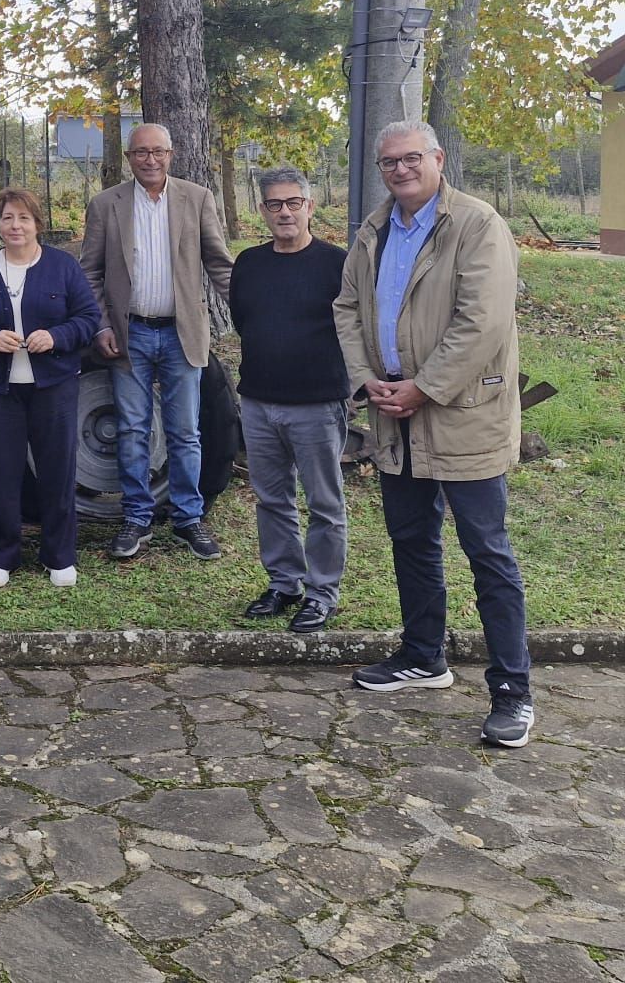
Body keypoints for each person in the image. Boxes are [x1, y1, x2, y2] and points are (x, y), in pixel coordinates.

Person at [334, 120, 535, 749]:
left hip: (461, 412)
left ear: (438, 159)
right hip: (393, 413)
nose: (400, 170)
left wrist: (424, 387)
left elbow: (484, 321)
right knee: (411, 540)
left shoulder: (476, 225)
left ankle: (512, 692)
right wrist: (370, 381)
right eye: (389, 162)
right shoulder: (373, 230)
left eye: (411, 158)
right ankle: (424, 656)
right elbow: (346, 310)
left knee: (488, 553)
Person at [78, 123, 234, 562]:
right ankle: (136, 518)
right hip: (130, 335)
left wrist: (252, 309)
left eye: (158, 152)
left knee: (185, 431)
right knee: (131, 429)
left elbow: (219, 264)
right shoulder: (106, 205)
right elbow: (89, 273)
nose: (150, 159)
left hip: (181, 332)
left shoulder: (196, 199)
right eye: (141, 153)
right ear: (129, 158)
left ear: (171, 154)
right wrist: (102, 326)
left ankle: (188, 518)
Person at [0, 187, 102, 587]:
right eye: (7, 218)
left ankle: (59, 555)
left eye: (23, 218)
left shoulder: (63, 267)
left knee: (57, 469)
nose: (15, 225)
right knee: (1, 472)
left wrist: (56, 336)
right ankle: (2, 555)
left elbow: (88, 317)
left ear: (37, 223)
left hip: (53, 385)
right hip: (1, 390)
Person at [229, 168, 350, 634]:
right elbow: (245, 320)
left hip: (317, 404)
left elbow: (352, 327)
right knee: (271, 499)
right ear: (262, 210)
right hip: (259, 401)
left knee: (324, 503)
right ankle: (285, 583)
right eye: (275, 204)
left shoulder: (336, 263)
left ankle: (322, 593)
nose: (284, 212)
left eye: (293, 203)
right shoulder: (250, 264)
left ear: (310, 207)